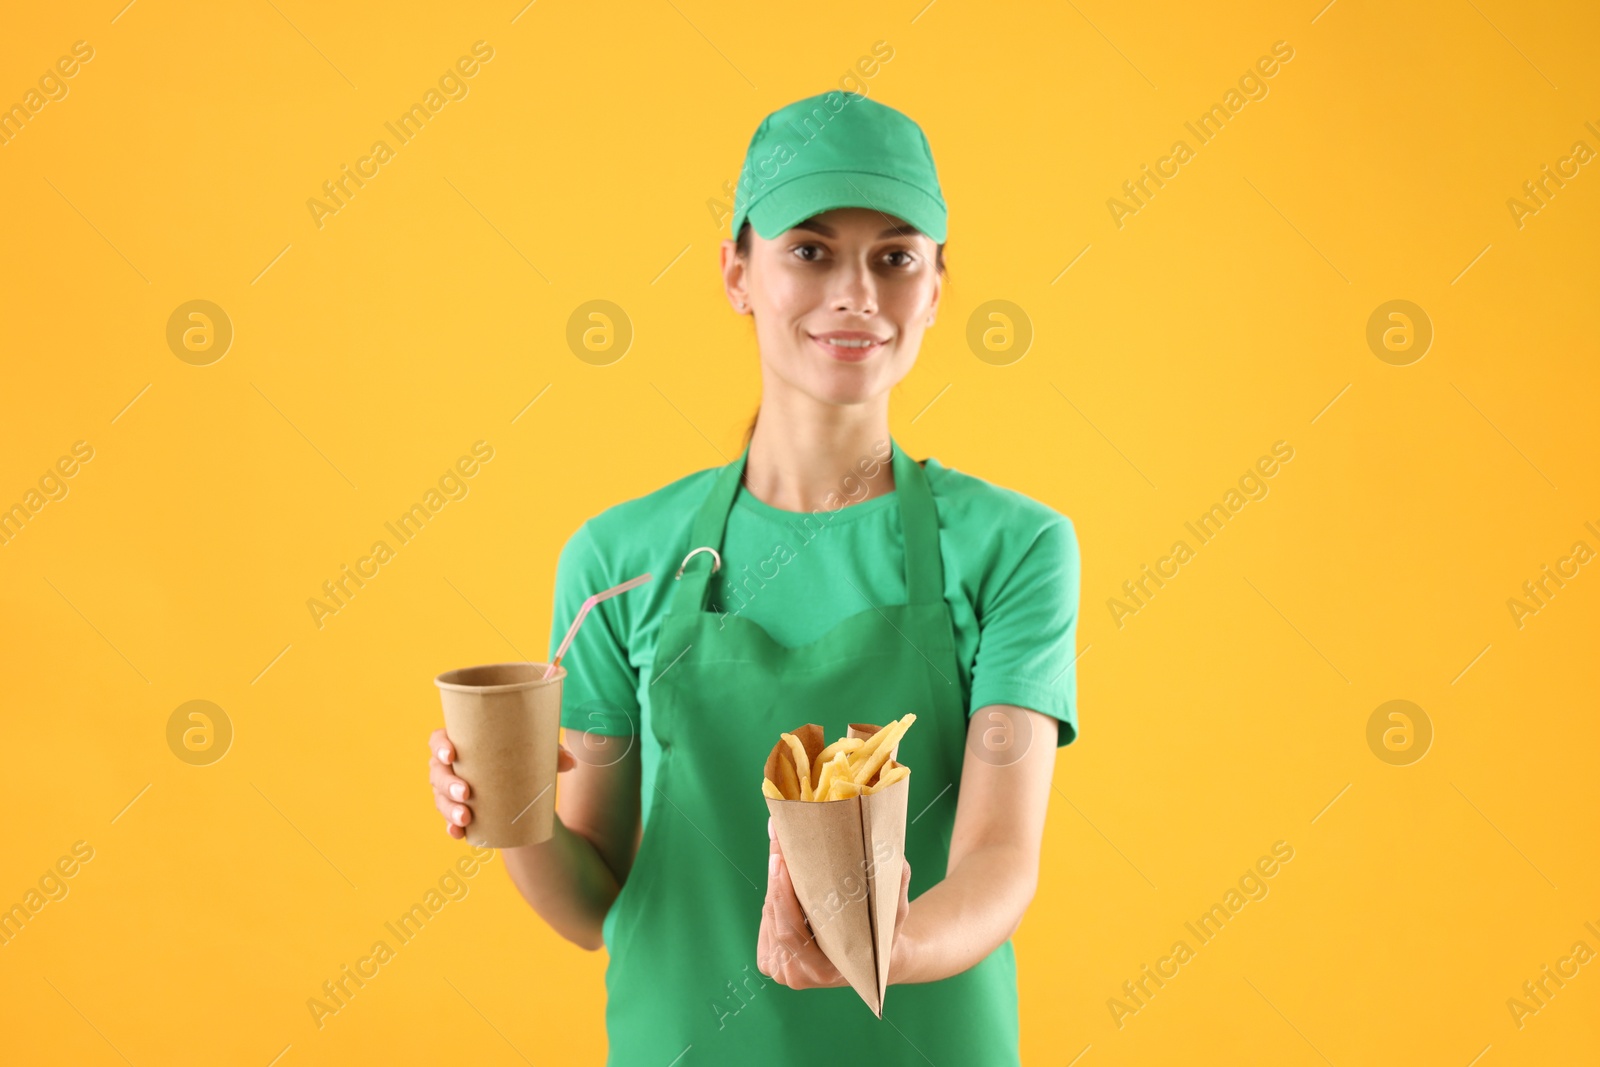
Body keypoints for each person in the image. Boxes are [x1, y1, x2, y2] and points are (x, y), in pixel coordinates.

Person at [427, 90, 1081, 1064]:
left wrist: (886, 946)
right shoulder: (618, 560)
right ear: (737, 272)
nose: (856, 291)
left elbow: (997, 857)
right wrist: (508, 811)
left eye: (894, 257)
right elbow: (600, 898)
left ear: (936, 288)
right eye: (809, 250)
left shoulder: (1011, 546)